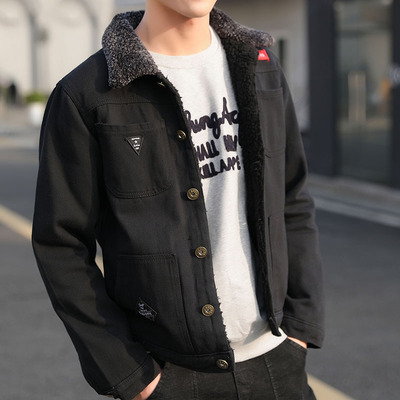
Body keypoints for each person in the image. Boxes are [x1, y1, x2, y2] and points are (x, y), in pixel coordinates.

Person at [32, 1, 324, 399]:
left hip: (277, 361)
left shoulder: (260, 65)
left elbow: (292, 196)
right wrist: (132, 375)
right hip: (167, 373)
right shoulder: (87, 93)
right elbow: (61, 244)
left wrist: (301, 326)